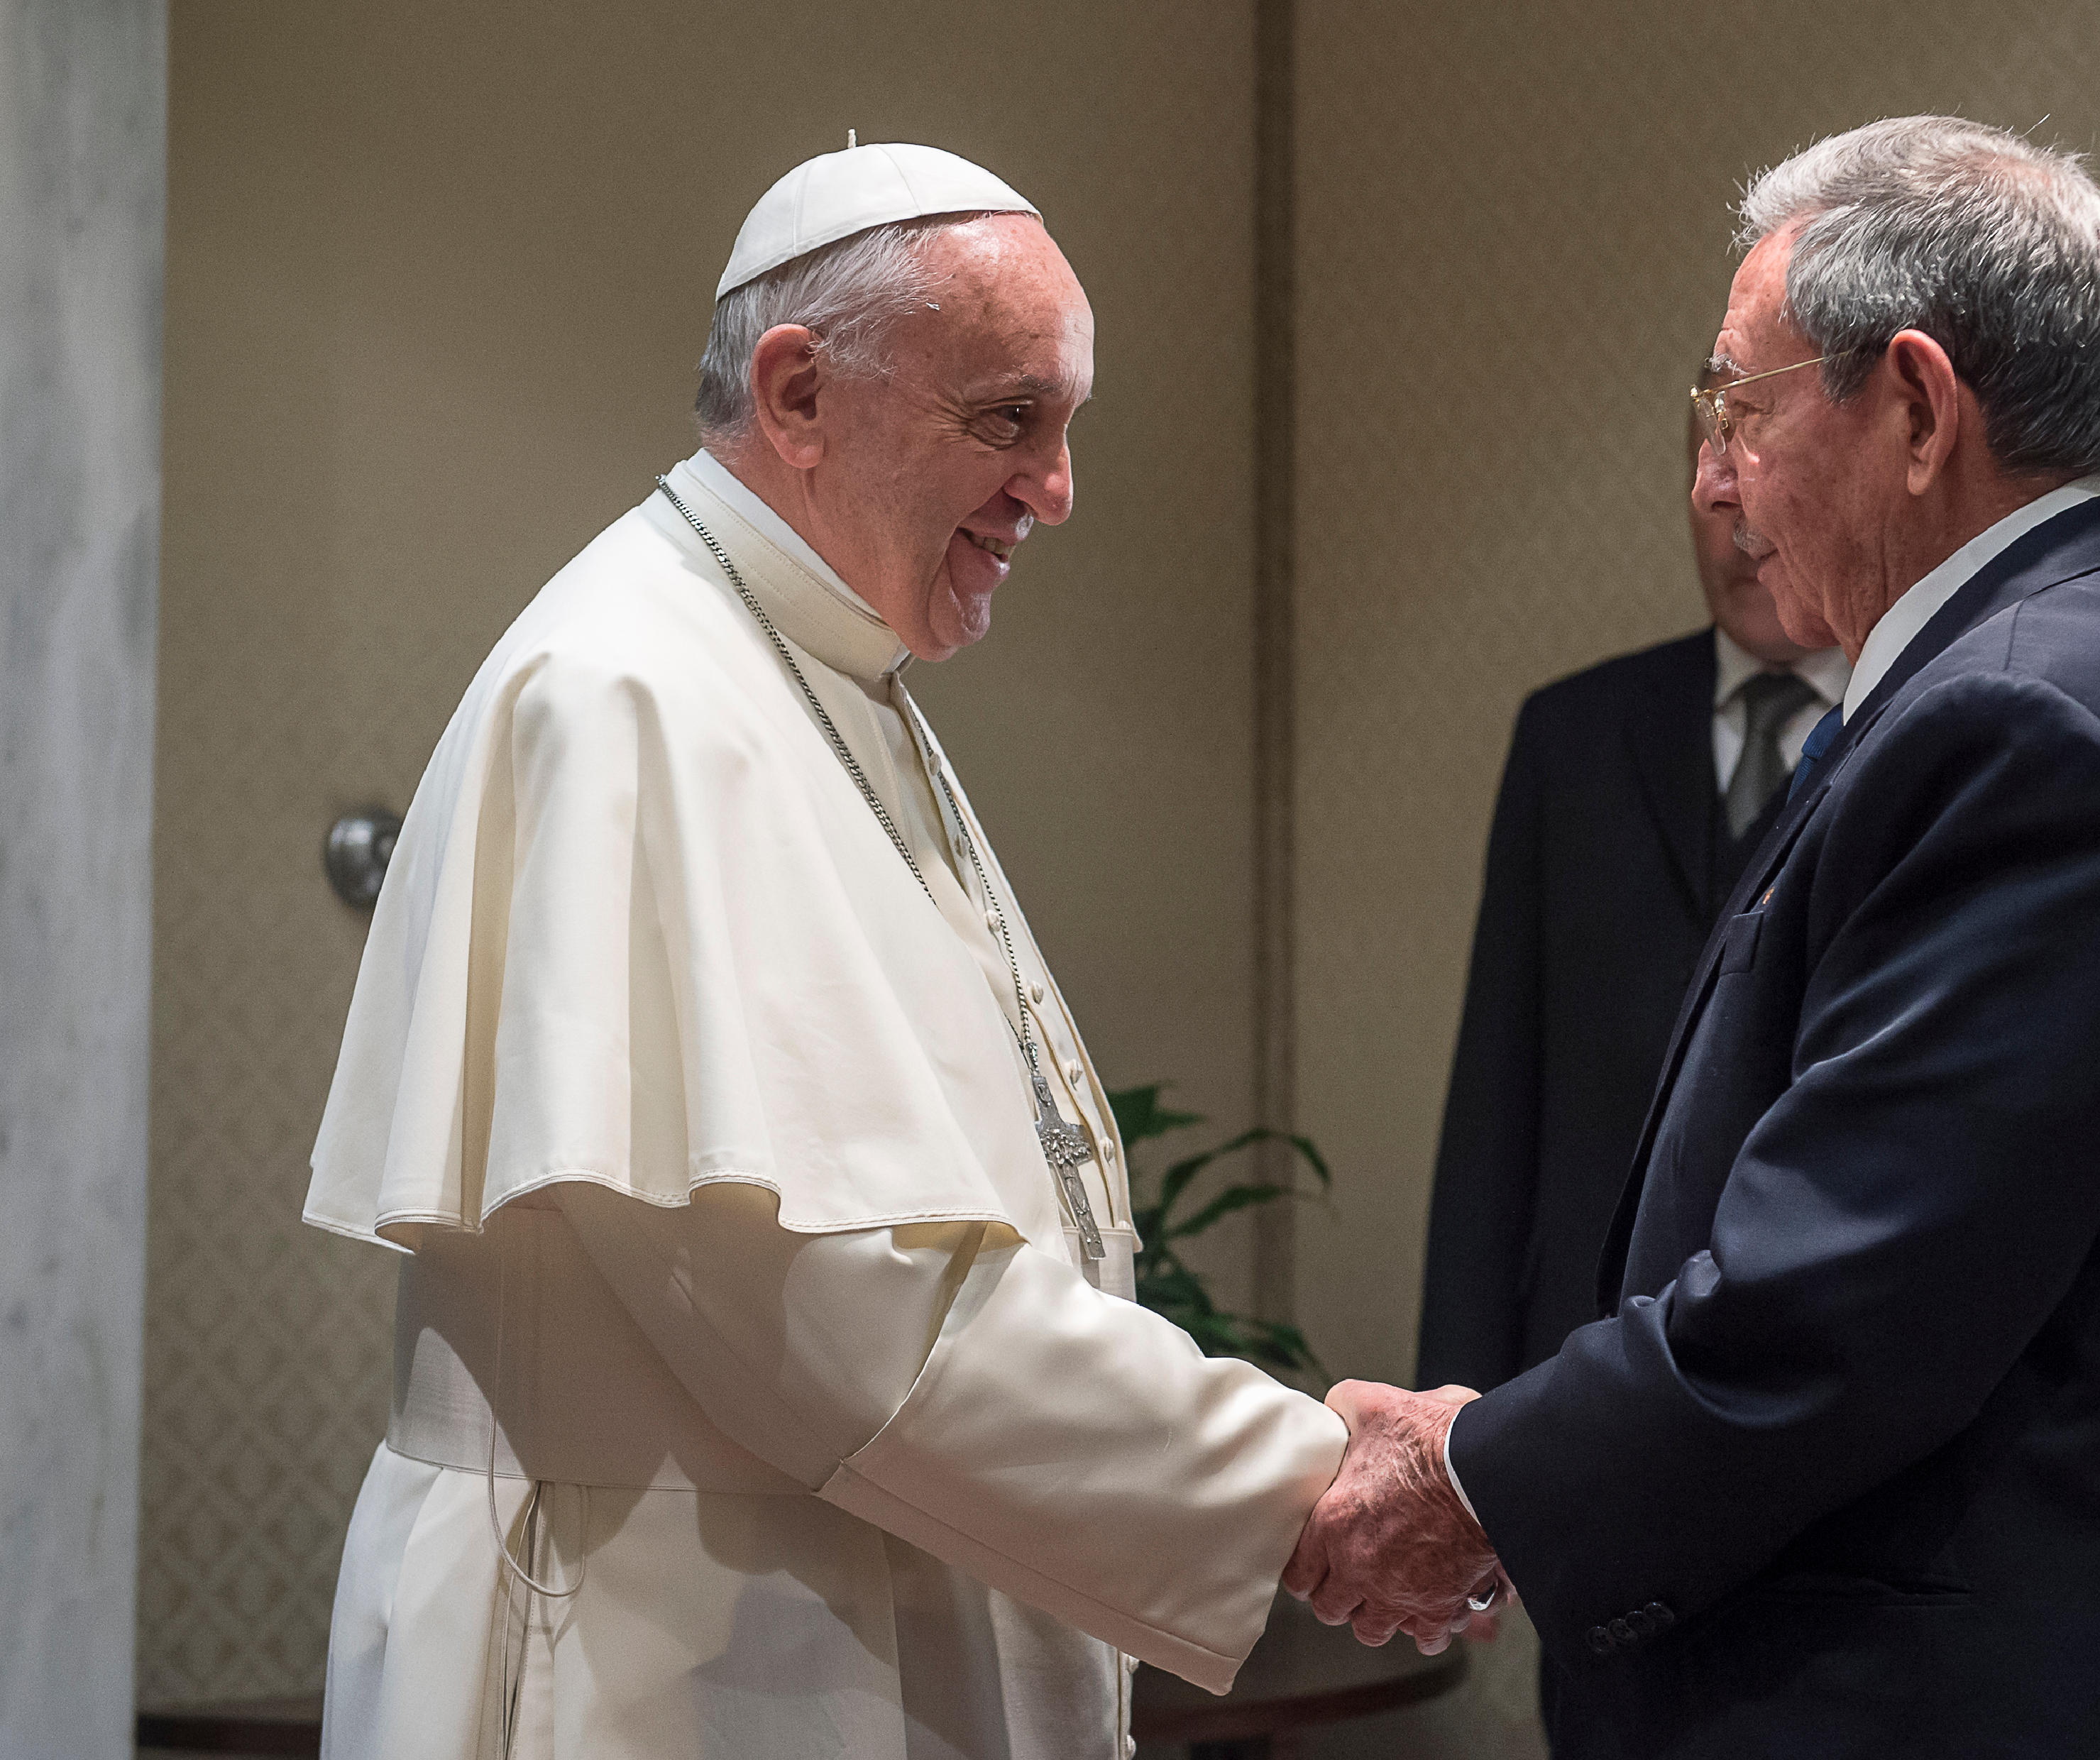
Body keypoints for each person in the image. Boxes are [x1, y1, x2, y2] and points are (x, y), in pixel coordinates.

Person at [1287, 116, 2100, 1758]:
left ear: (1918, 409)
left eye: (1741, 408)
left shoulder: (2028, 728)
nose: (1712, 480)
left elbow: (1837, 1308)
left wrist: (1470, 1477)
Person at [303, 141, 1348, 1760]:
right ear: (798, 395)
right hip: (660, 1656)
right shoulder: (632, 693)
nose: (1056, 489)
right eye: (1009, 419)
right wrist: (1301, 1488)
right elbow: (835, 1310)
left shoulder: (824, 668)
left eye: (1067, 425)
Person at [1414, 384, 1845, 1395]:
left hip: (1795, 1363)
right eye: (1711, 475)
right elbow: (1494, 1107)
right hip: (1570, 1354)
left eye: (1765, 474)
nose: (1737, 522)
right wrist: (1451, 1410)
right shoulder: (1572, 736)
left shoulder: (1920, 736)